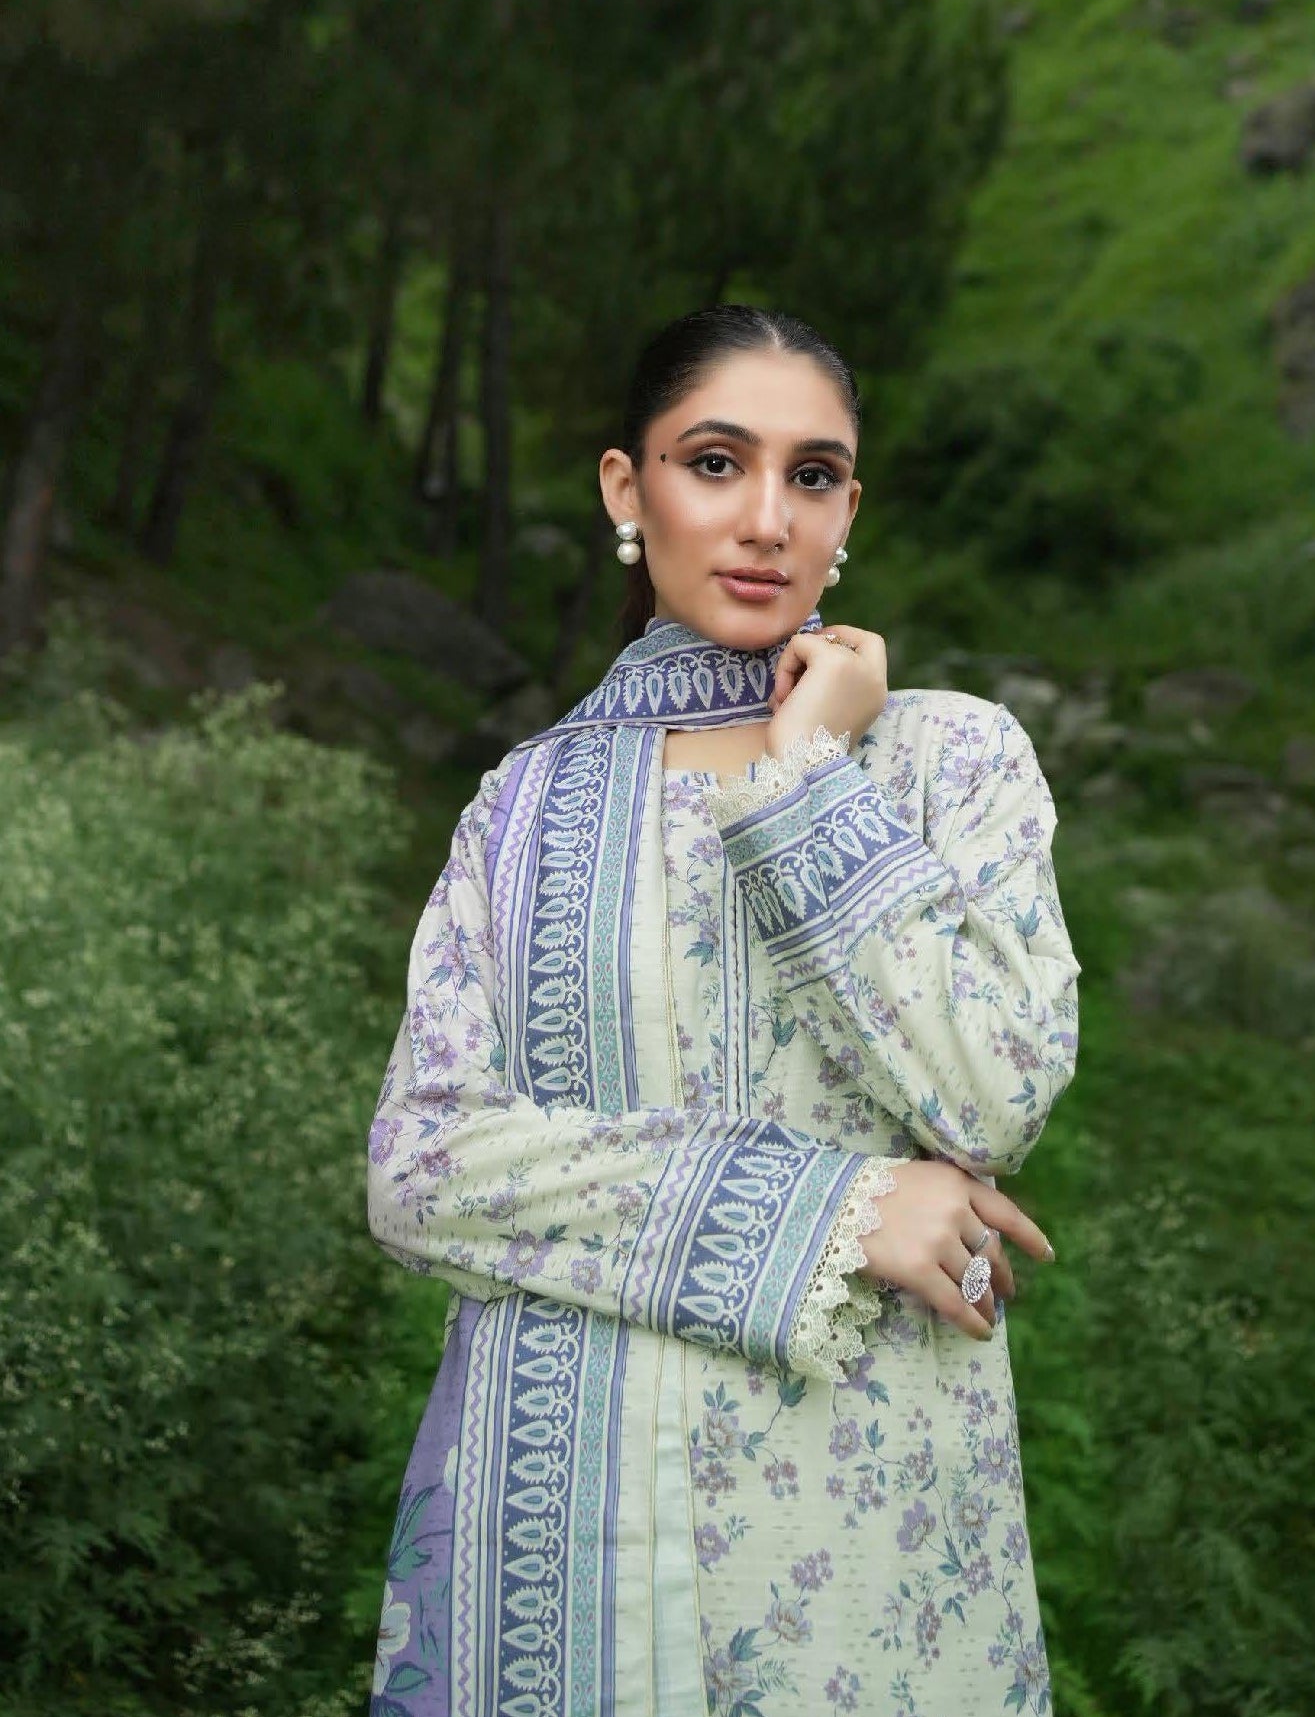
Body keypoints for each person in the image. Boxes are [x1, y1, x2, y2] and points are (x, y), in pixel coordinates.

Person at [365, 304, 1081, 1717]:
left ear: (849, 508)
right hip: (553, 1527)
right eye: (715, 461)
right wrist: (837, 1213)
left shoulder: (947, 760)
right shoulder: (524, 807)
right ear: (629, 489)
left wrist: (809, 773)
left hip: (869, 1542)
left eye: (812, 475)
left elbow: (997, 1089)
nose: (766, 518)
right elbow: (422, 1168)